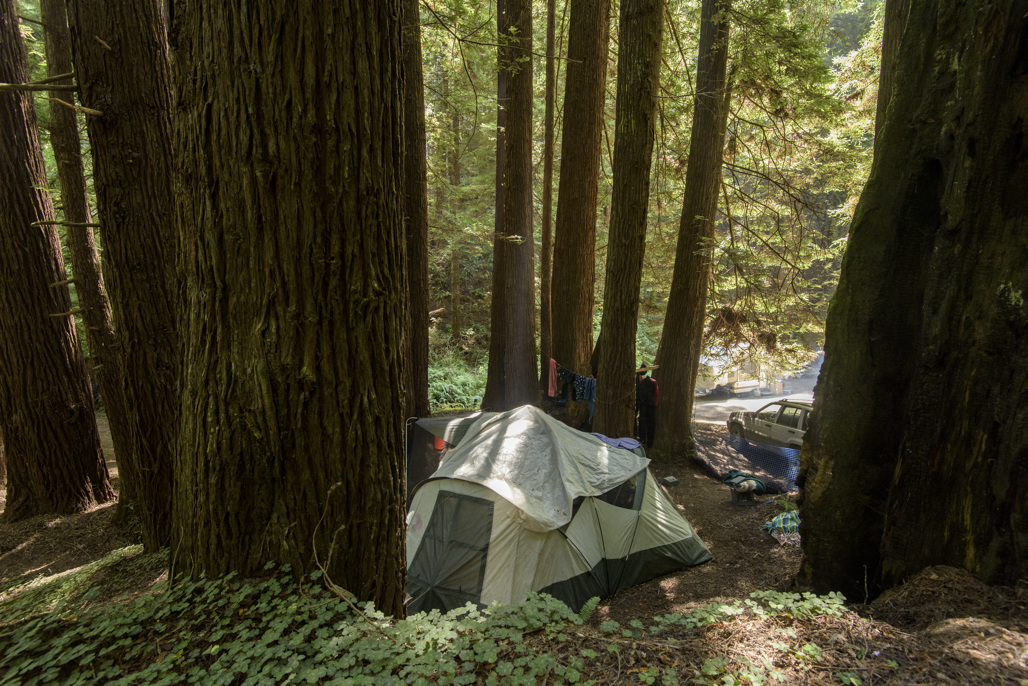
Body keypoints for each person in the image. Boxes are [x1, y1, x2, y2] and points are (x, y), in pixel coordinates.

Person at [636, 369, 659, 449]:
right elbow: (656, 394)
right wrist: (655, 404)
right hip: (651, 406)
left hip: (643, 405)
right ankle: (650, 443)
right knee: (651, 424)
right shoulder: (654, 382)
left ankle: (642, 442)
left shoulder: (641, 382)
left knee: (642, 424)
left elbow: (638, 393)